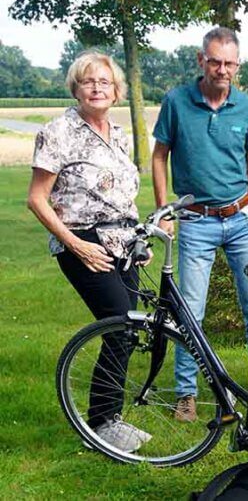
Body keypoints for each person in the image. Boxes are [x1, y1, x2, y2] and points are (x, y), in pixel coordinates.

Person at [28, 52, 151, 452]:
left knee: (128, 329)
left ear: (116, 91)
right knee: (117, 324)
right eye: (88, 81)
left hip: (121, 242)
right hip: (83, 241)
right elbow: (37, 199)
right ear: (76, 88)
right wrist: (76, 245)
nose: (96, 88)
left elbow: (121, 196)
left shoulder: (118, 134)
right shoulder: (58, 131)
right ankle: (102, 425)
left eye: (104, 82)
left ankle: (108, 418)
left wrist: (138, 238)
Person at [151, 27, 248, 423]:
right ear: (201, 61)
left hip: (241, 219)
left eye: (230, 63)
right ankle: (186, 395)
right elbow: (158, 158)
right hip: (196, 223)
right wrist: (164, 210)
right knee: (190, 311)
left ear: (238, 66)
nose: (222, 70)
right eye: (215, 61)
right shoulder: (176, 102)